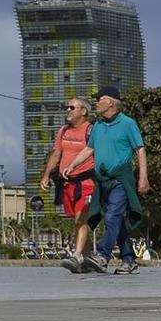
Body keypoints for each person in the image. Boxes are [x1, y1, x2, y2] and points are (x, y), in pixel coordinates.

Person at [83, 85, 149, 275]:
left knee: (112, 216)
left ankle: (103, 256)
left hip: (121, 178)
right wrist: (71, 165)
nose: (96, 103)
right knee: (115, 220)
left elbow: (140, 149)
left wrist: (143, 178)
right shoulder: (98, 126)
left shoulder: (128, 124)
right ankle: (129, 261)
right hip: (103, 180)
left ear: (110, 102)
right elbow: (89, 149)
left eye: (99, 100)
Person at [39, 96, 97, 272]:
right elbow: (57, 154)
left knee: (82, 218)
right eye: (67, 107)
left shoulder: (91, 130)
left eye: (72, 107)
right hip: (67, 183)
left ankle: (76, 255)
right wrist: (46, 175)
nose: (68, 110)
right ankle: (85, 261)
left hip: (86, 182)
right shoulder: (63, 131)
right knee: (78, 222)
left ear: (83, 111)